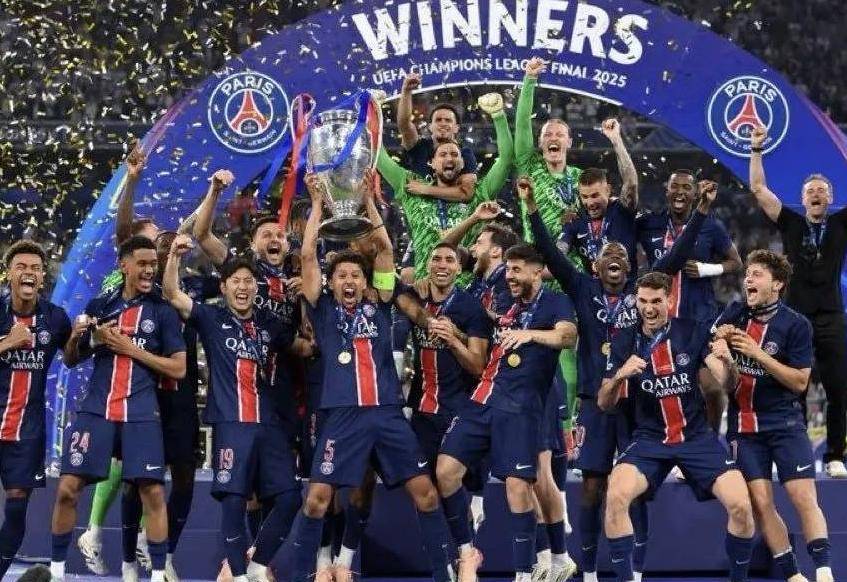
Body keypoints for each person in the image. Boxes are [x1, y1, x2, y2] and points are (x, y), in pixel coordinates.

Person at [524, 176, 718, 582]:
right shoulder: (581, 287)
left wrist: (701, 211)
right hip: (596, 401)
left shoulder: (642, 290)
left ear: (630, 264)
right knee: (593, 488)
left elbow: (678, 252)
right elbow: (549, 253)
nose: (614, 255)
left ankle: (637, 572)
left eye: (621, 253)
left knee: (636, 490)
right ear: (595, 265)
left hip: (639, 403)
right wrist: (532, 209)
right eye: (605, 253)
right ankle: (590, 573)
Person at [289, 172, 454, 582]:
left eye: (354, 276)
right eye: (341, 276)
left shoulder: (380, 302)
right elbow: (307, 255)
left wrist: (368, 202)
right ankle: (301, 573)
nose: (349, 281)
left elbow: (384, 248)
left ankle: (445, 574)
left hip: (386, 413)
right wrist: (318, 206)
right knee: (317, 499)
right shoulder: (322, 309)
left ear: (365, 282)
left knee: (426, 495)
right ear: (332, 283)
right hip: (342, 414)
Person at [163, 235, 309, 582]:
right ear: (224, 287)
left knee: (290, 498)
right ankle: (240, 576)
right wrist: (173, 257)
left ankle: (257, 565)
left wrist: (307, 298)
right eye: (236, 281)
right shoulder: (210, 317)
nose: (243, 287)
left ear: (256, 288)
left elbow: (305, 347)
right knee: (233, 500)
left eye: (248, 282)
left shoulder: (270, 324)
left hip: (270, 424)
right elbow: (173, 294)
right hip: (232, 423)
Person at [599, 272, 755, 582]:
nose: (649, 308)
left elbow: (727, 383)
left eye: (656, 301)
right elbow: (604, 402)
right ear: (636, 302)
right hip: (650, 440)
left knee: (741, 505)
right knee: (615, 496)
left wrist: (728, 361)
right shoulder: (623, 340)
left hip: (696, 438)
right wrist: (619, 376)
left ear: (669, 301)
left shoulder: (692, 330)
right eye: (643, 301)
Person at [436, 243, 578, 582]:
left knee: (519, 486)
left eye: (516, 270)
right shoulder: (505, 302)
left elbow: (567, 335)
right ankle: (466, 550)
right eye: (508, 269)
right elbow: (493, 326)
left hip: (521, 407)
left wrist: (529, 335)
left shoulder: (555, 302)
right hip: (482, 399)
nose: (509, 276)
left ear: (536, 271)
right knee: (446, 471)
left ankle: (525, 573)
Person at [52, 236, 187, 582]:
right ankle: (55, 572)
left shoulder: (162, 311)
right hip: (97, 408)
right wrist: (78, 337)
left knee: (152, 492)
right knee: (67, 488)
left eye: (152, 264)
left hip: (140, 411)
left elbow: (178, 368)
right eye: (142, 263)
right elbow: (71, 360)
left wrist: (131, 349)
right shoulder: (100, 305)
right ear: (123, 265)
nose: (149, 270)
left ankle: (157, 574)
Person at [714, 250, 834, 582]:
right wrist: (720, 349)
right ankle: (793, 575)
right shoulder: (734, 314)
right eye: (747, 274)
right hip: (744, 427)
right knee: (761, 503)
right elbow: (716, 362)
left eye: (757, 274)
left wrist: (757, 354)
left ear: (777, 284)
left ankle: (824, 572)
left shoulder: (796, 325)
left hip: (785, 423)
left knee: (802, 497)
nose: (748, 280)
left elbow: (799, 382)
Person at [748, 125, 847, 478]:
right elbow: (758, 188)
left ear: (830, 198)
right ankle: (798, 451)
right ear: (802, 199)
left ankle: (835, 456)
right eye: (810, 191)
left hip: (832, 315)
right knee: (793, 389)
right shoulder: (790, 222)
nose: (816, 194)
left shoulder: (841, 223)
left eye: (822, 190)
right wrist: (756, 149)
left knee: (838, 388)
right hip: (796, 316)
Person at [377, 92, 513, 281]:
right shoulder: (411, 186)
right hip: (424, 288)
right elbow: (379, 155)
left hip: (464, 288)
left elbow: (506, 159)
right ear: (432, 163)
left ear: (463, 163)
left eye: (455, 154)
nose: (449, 158)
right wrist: (373, 113)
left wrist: (498, 115)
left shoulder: (480, 192)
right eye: (443, 155)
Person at [0, 241, 72, 580]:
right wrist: (9, 342)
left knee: (16, 510)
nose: (28, 272)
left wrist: (87, 338)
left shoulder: (55, 318)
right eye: (21, 267)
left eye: (35, 268)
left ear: (43, 277)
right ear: (9, 274)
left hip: (26, 431)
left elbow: (73, 356)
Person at [400, 242, 491, 471]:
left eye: (449, 260)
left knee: (453, 480)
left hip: (458, 409)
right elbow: (389, 287)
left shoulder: (472, 308)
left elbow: (478, 367)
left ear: (459, 268)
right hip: (422, 410)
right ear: (427, 265)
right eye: (436, 259)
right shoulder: (415, 297)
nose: (442, 265)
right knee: (423, 481)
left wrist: (453, 340)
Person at [638, 170, 741, 322]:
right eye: (674, 186)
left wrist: (707, 269)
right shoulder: (650, 223)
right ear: (667, 192)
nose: (680, 191)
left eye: (686, 187)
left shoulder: (711, 226)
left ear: (695, 194)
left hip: (698, 315)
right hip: (658, 314)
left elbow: (736, 262)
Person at [514, 57, 582, 246]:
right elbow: (522, 123)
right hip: (535, 256)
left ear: (569, 142)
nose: (553, 138)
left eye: (559, 135)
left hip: (572, 258)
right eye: (547, 134)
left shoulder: (580, 176)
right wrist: (529, 79)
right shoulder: (529, 166)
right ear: (540, 142)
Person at [396, 72, 478, 199]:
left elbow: (466, 193)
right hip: (417, 210)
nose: (443, 123)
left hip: (455, 211)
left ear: (456, 128)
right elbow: (404, 124)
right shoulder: (419, 147)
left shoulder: (465, 153)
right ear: (430, 127)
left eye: (448, 120)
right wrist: (406, 91)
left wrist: (424, 189)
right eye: (438, 120)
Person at [558, 164, 639, 274]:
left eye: (595, 195)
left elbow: (631, 184)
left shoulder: (621, 211)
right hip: (592, 284)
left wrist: (618, 150)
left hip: (626, 283)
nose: (590, 203)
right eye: (585, 197)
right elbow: (558, 254)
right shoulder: (575, 220)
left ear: (608, 190)